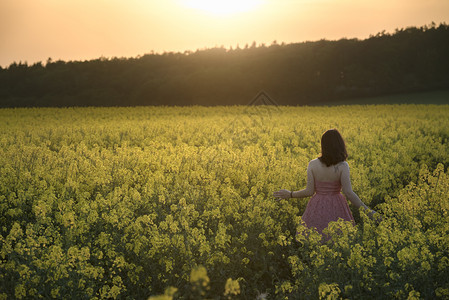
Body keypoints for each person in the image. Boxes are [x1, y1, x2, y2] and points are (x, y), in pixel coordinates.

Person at [273, 129, 378, 238]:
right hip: (337, 205)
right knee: (338, 239)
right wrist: (368, 211)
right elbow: (349, 193)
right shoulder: (343, 166)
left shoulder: (313, 164)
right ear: (340, 145)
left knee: (315, 238)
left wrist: (290, 194)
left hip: (317, 205)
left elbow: (309, 191)